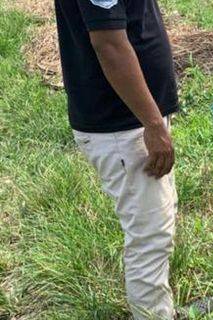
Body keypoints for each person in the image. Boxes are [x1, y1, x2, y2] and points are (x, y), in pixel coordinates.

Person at [55, 0, 179, 318]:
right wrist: (152, 124)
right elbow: (109, 44)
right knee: (149, 239)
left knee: (155, 226)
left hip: (131, 120)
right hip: (124, 125)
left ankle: (158, 309)